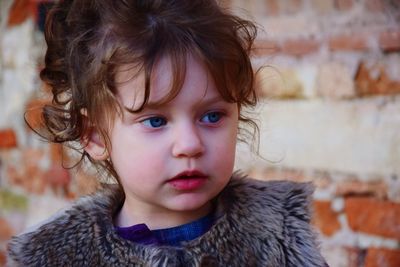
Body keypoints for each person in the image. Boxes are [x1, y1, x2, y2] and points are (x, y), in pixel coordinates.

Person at [7, 0, 328, 266]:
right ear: (95, 135)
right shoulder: (56, 256)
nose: (189, 145)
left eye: (212, 116)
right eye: (156, 121)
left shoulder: (278, 235)